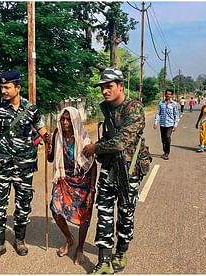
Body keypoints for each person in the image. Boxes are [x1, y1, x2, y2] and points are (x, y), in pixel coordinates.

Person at [0, 70, 50, 263]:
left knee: (23, 205)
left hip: (25, 166)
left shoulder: (31, 109)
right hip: (2, 165)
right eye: (1, 87)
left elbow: (42, 130)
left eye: (7, 87)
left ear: (17, 88)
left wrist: (50, 141)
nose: (3, 90)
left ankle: (20, 240)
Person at [82, 68, 151, 274]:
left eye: (109, 86)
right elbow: (108, 139)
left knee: (125, 214)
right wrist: (93, 147)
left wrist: (96, 148)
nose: (104, 91)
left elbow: (121, 142)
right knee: (104, 212)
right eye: (102, 87)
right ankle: (104, 260)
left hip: (129, 170)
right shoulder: (107, 110)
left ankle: (120, 252)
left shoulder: (134, 108)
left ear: (120, 86)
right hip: (109, 168)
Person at [47, 107, 97, 266]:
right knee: (55, 210)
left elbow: (93, 165)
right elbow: (50, 159)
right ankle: (69, 239)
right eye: (62, 119)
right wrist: (48, 145)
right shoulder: (57, 134)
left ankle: (80, 248)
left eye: (68, 119)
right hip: (64, 179)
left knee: (84, 218)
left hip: (82, 183)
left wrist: (91, 190)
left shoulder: (83, 138)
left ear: (74, 121)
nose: (64, 122)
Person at [153, 89, 180, 160]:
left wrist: (175, 125)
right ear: (165, 94)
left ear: (171, 95)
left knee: (167, 137)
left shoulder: (174, 104)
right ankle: (165, 151)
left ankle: (167, 153)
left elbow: (176, 115)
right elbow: (158, 113)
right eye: (167, 94)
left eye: (169, 94)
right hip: (162, 124)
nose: (168, 95)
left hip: (170, 124)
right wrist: (156, 123)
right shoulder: (161, 103)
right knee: (163, 139)